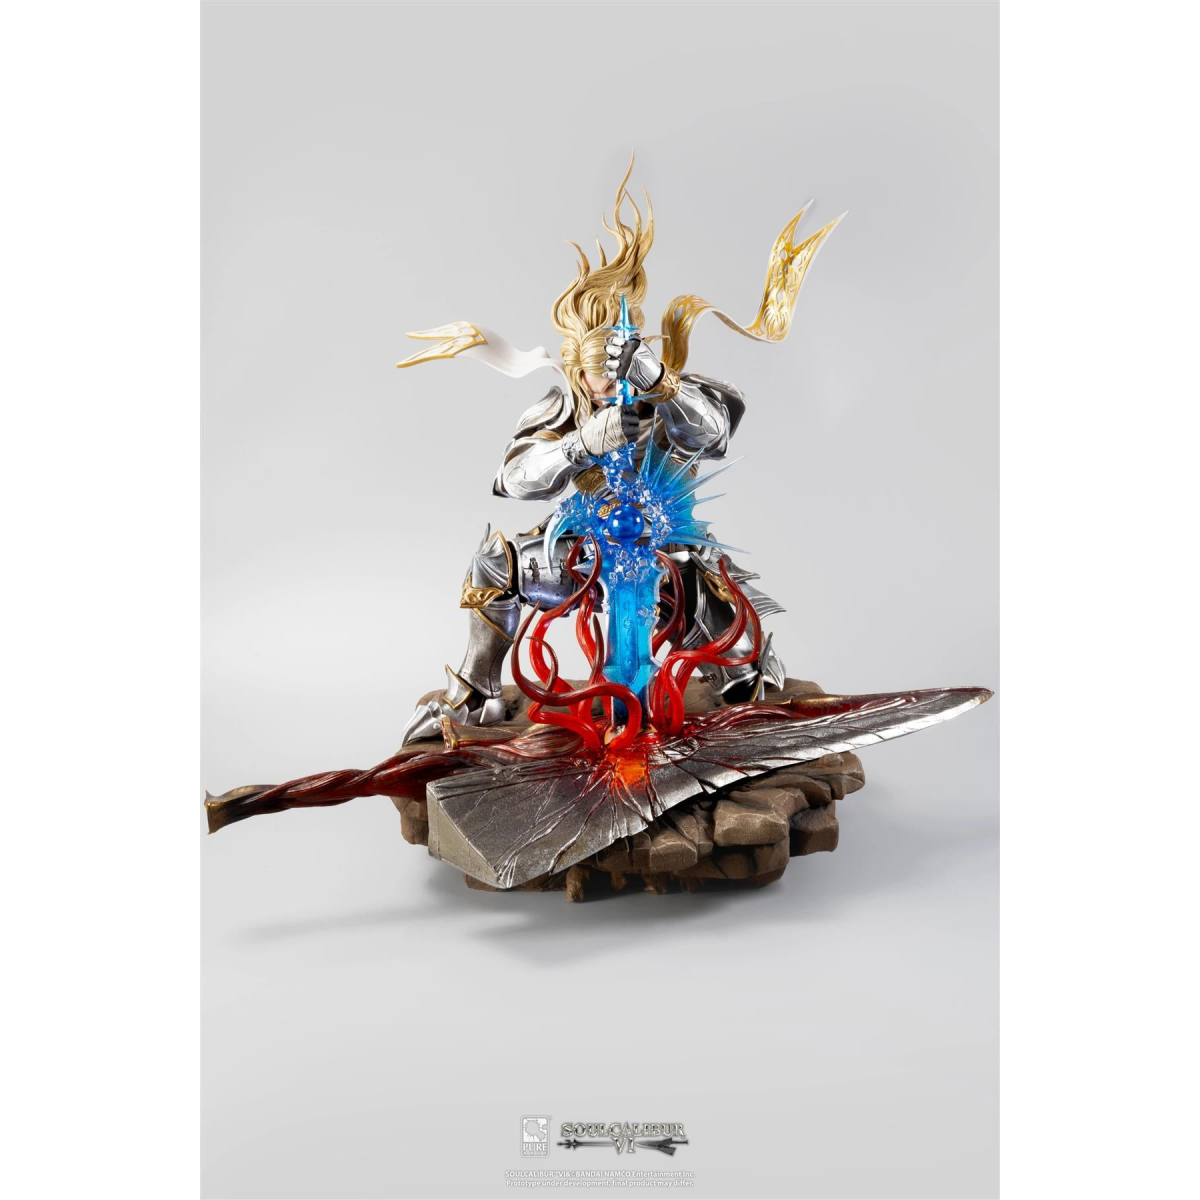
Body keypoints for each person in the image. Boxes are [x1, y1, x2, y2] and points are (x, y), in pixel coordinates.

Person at [396, 161, 839, 745]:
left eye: (617, 366)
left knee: (745, 678)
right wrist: (582, 443)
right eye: (595, 370)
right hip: (581, 549)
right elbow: (515, 477)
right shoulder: (564, 406)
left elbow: (713, 435)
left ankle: (737, 694)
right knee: (495, 564)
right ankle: (478, 692)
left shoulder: (665, 393)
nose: (607, 381)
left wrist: (660, 382)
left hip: (668, 555)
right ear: (574, 367)